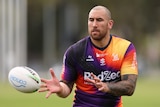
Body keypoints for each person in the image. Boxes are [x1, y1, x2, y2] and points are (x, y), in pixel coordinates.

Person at [38, 5, 138, 107]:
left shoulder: (125, 48)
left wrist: (106, 86)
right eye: (91, 20)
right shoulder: (75, 51)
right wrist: (60, 88)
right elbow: (67, 87)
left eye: (99, 20)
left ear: (110, 24)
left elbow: (129, 87)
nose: (94, 24)